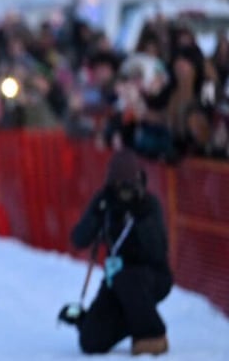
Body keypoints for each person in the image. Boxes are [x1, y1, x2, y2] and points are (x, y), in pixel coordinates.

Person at [60, 150, 172, 356]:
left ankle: (152, 334)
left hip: (151, 277)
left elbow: (158, 251)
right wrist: (97, 214)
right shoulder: (106, 202)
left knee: (127, 278)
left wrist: (140, 219)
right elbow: (79, 239)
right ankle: (127, 317)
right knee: (90, 341)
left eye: (129, 184)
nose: (125, 192)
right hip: (116, 279)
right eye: (120, 185)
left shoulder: (148, 204)